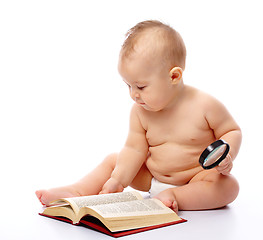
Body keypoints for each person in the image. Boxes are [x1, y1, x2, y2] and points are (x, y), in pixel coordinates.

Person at [36, 20, 241, 213]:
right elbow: (134, 148)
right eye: (129, 85)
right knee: (113, 161)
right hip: (152, 178)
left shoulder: (205, 105)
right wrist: (118, 179)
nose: (134, 94)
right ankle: (78, 191)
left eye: (141, 86)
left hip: (195, 179)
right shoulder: (139, 111)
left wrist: (226, 156)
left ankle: (176, 196)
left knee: (229, 187)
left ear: (174, 76)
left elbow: (231, 131)